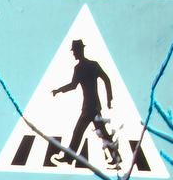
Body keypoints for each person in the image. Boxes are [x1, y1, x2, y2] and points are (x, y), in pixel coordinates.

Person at [51, 38, 122, 168]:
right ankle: (116, 158)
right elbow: (105, 80)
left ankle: (68, 158)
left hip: (90, 108)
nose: (73, 54)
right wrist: (109, 99)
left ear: (79, 50)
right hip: (93, 106)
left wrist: (59, 90)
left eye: (74, 51)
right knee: (101, 133)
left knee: (78, 131)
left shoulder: (82, 67)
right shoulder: (90, 65)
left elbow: (74, 85)